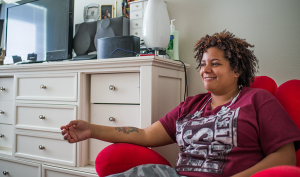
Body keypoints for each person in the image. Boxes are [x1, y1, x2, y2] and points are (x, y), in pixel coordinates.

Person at [61, 30, 300, 177]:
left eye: (215, 63)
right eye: (203, 63)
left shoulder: (257, 100)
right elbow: (144, 135)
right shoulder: (190, 106)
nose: (205, 70)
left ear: (236, 69)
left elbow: (285, 158)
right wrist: (92, 130)